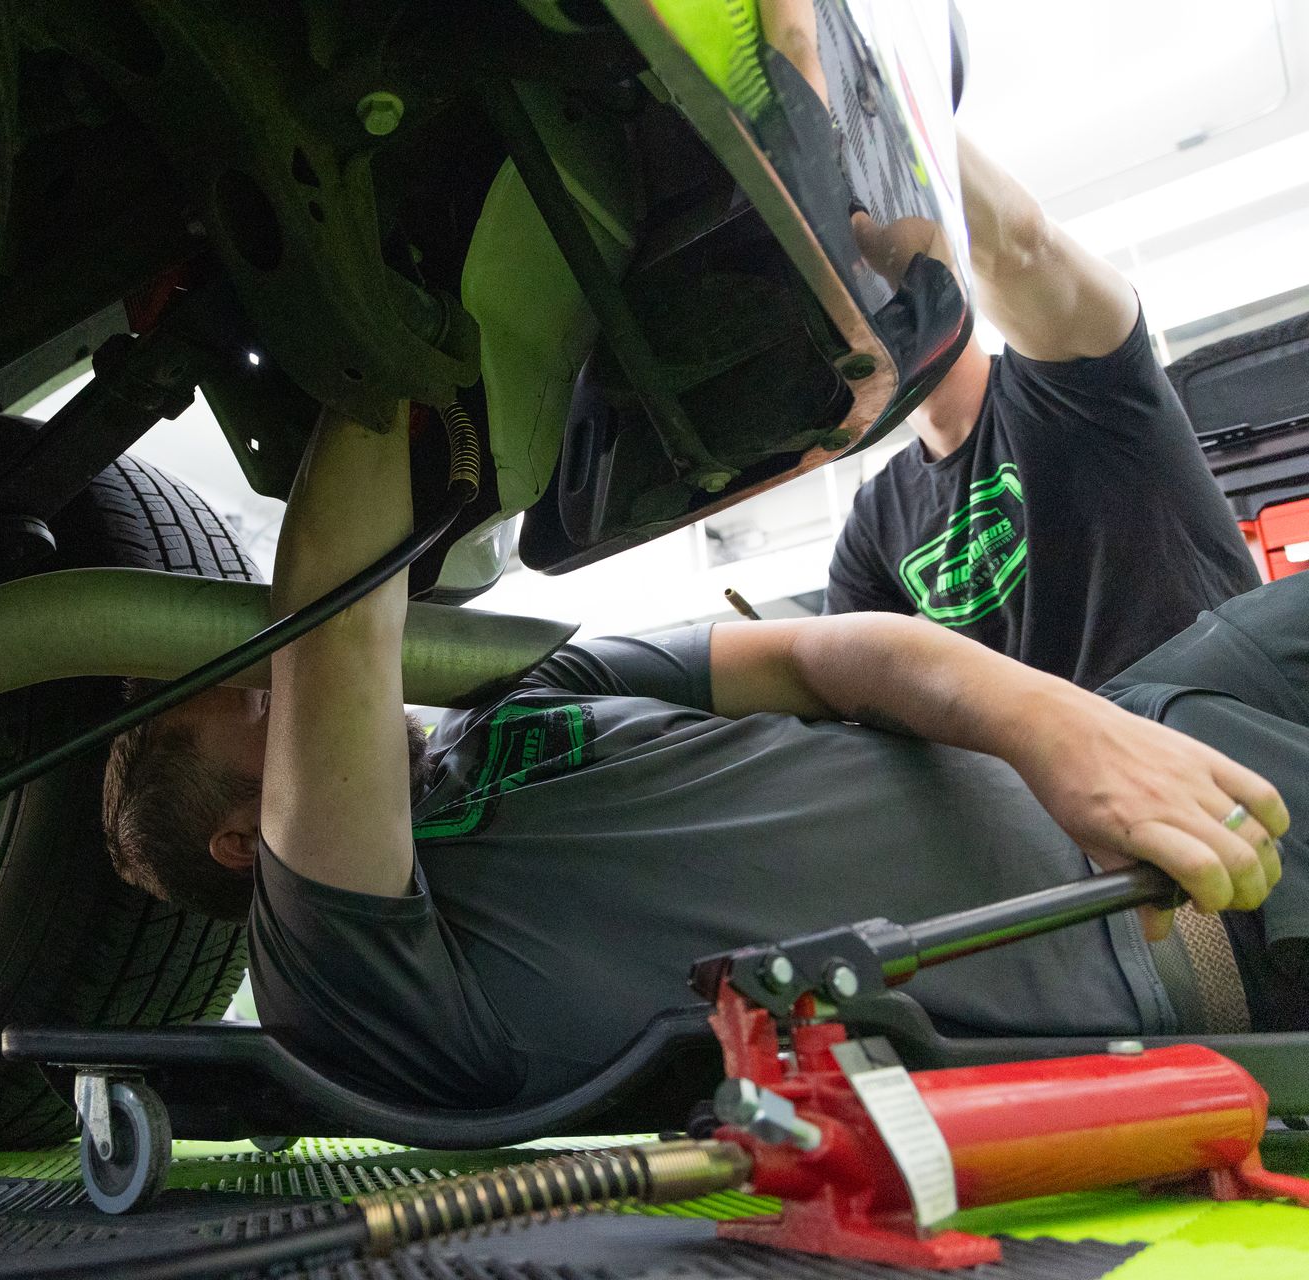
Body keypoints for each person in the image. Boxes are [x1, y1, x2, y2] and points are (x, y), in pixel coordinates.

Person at [102, 406, 1302, 1109]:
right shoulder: (340, 971)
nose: (254, 675)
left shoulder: (520, 704)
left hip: (1168, 724)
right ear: (240, 833)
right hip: (1210, 930)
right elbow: (334, 614)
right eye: (228, 707)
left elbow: (834, 654)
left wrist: (1061, 727)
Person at [822, 137, 1260, 690]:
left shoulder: (1079, 380)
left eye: (873, 262)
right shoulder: (875, 520)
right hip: (1075, 768)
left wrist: (862, 100)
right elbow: (839, 679)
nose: (860, 282)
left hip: (1218, 724)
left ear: (954, 258)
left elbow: (1020, 243)